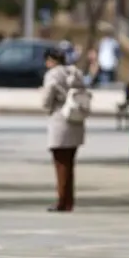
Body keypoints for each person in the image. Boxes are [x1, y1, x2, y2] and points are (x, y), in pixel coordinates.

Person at [41, 47, 88, 212]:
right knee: (70, 164)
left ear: (51, 60)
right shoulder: (76, 73)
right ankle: (69, 200)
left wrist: (47, 108)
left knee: (60, 164)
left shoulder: (52, 74)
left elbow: (47, 99)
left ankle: (62, 200)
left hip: (59, 121)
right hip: (75, 120)